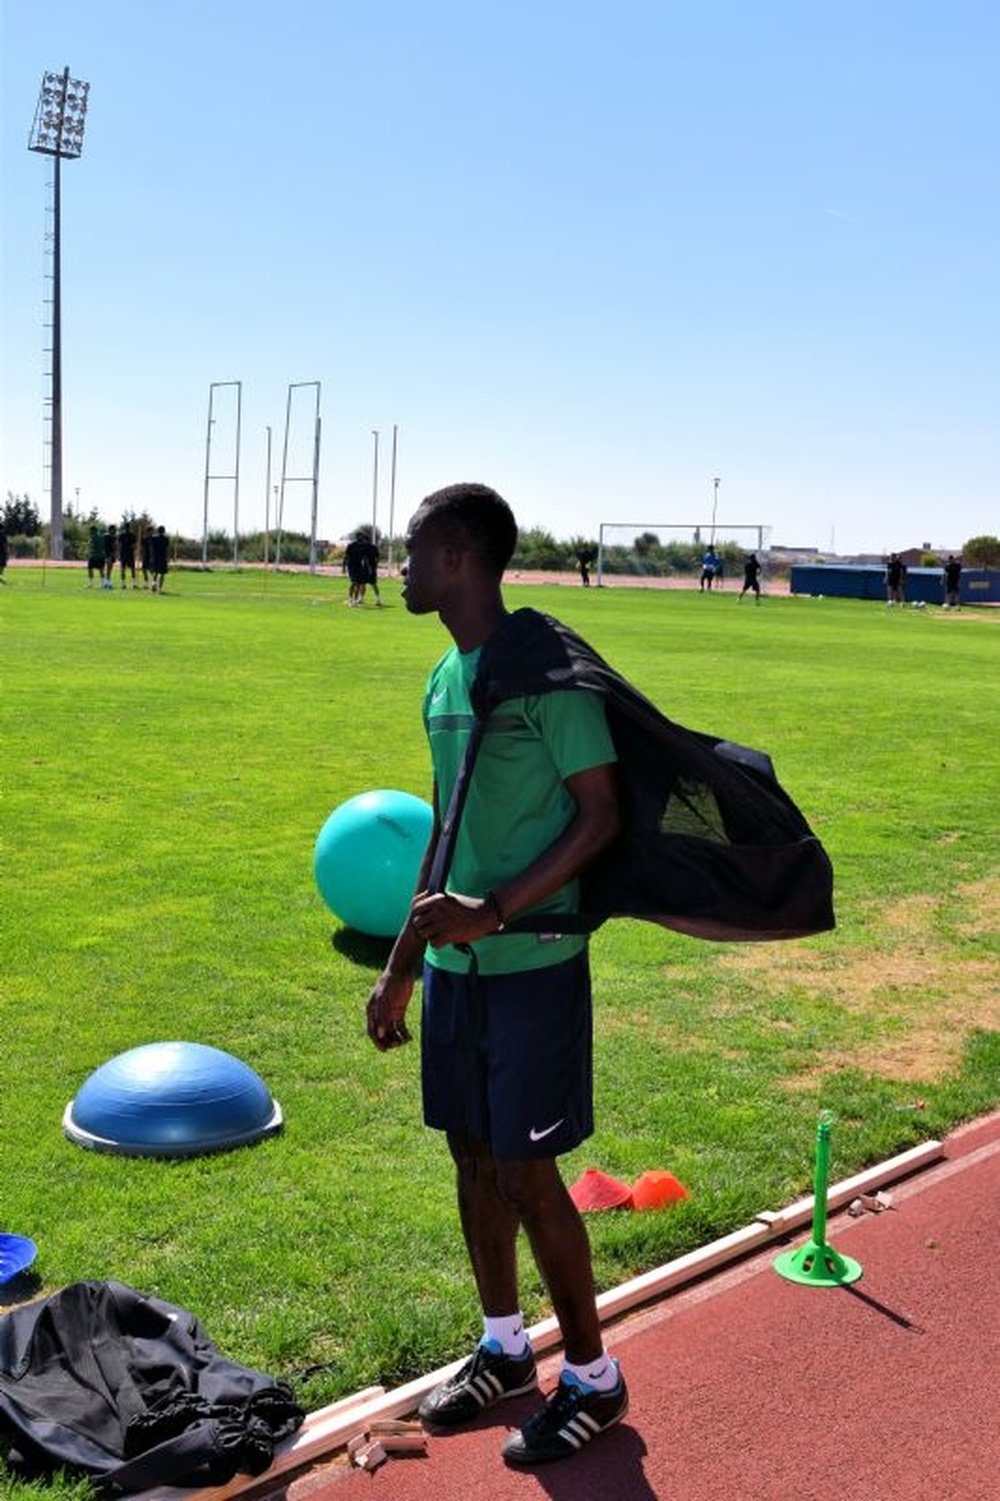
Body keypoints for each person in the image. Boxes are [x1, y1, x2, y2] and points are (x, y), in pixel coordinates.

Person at [365, 483, 627, 1468]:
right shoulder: (443, 678)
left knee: (527, 1168)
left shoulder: (545, 674)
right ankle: (504, 1348)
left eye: (414, 550)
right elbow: (444, 822)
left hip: (532, 964)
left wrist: (496, 910)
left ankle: (595, 1380)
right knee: (472, 1155)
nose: (400, 567)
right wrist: (401, 968)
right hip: (454, 971)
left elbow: (597, 814)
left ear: (460, 555)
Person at [342, 535, 368, 606]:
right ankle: (351, 599)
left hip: (359, 566)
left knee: (358, 584)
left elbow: (365, 558)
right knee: (354, 583)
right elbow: (346, 556)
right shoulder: (351, 546)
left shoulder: (362, 546)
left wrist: (367, 567)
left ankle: (355, 600)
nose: (362, 539)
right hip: (351, 567)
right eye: (361, 538)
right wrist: (344, 567)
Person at [359, 534, 382, 607]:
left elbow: (364, 558)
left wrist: (368, 567)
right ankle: (378, 599)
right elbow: (378, 557)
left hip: (366, 568)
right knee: (374, 584)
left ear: (365, 540)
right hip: (373, 567)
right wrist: (375, 566)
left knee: (363, 584)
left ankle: (361, 599)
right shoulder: (374, 547)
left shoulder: (364, 547)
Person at [150, 526, 169, 593]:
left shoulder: (154, 538)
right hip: (162, 557)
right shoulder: (166, 539)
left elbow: (151, 547)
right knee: (162, 574)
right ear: (163, 531)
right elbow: (166, 549)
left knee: (155, 572)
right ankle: (160, 589)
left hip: (155, 557)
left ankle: (153, 584)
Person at [118, 522, 137, 589]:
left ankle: (125, 584)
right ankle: (132, 584)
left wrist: (119, 554)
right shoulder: (129, 535)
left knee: (127, 569)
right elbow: (134, 546)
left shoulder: (129, 535)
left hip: (126, 554)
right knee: (130, 569)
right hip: (128, 554)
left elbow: (119, 545)